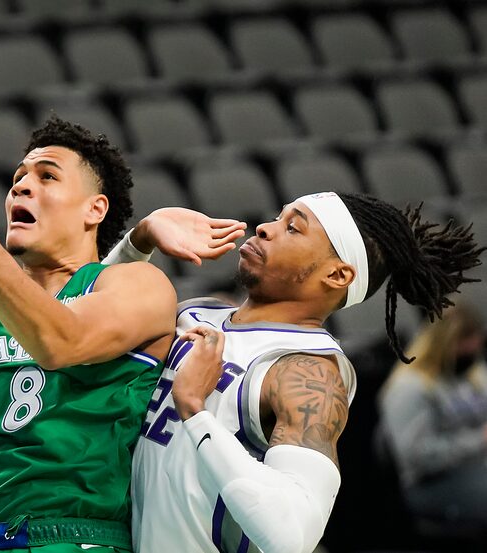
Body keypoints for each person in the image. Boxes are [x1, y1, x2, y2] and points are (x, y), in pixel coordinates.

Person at [0, 117, 243, 552]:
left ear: (95, 208)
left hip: (73, 535)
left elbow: (61, 341)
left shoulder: (136, 285)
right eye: (18, 178)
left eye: (46, 175)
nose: (21, 186)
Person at [102, 195, 484, 553]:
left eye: (293, 228)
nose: (265, 228)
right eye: (277, 218)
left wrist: (194, 412)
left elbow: (290, 535)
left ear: (337, 275)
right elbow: (70, 332)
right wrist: (138, 241)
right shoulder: (195, 313)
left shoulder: (309, 371)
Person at [377, 300, 487, 528]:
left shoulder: (472, 374)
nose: (472, 354)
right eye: (465, 347)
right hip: (432, 483)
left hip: (475, 468)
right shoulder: (410, 388)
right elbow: (418, 456)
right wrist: (479, 440)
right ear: (445, 345)